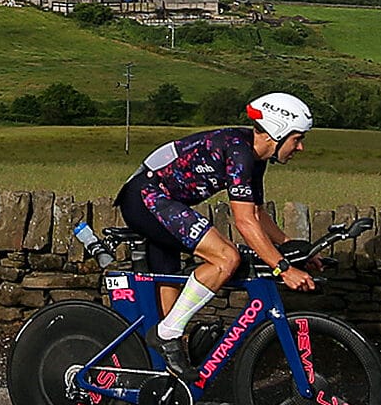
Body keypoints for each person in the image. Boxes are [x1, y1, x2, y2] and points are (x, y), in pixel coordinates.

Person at [115, 91, 318, 376]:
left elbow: (256, 212)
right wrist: (283, 269)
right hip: (146, 198)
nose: (300, 148)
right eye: (297, 139)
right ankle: (165, 336)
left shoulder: (253, 155)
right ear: (278, 132)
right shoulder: (240, 153)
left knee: (170, 296)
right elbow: (245, 222)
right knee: (226, 258)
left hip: (160, 201)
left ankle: (160, 375)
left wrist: (291, 247)